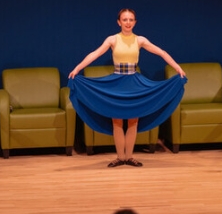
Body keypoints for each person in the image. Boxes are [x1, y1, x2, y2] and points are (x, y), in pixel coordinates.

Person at [68, 9, 187, 168]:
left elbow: (162, 52)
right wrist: (77, 68)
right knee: (116, 120)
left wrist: (177, 68)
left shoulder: (140, 40)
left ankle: (129, 157)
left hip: (134, 82)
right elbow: (94, 54)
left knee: (133, 121)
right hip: (117, 82)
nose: (128, 22)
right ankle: (120, 157)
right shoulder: (112, 39)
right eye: (125, 19)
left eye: (131, 19)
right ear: (119, 22)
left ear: (135, 22)